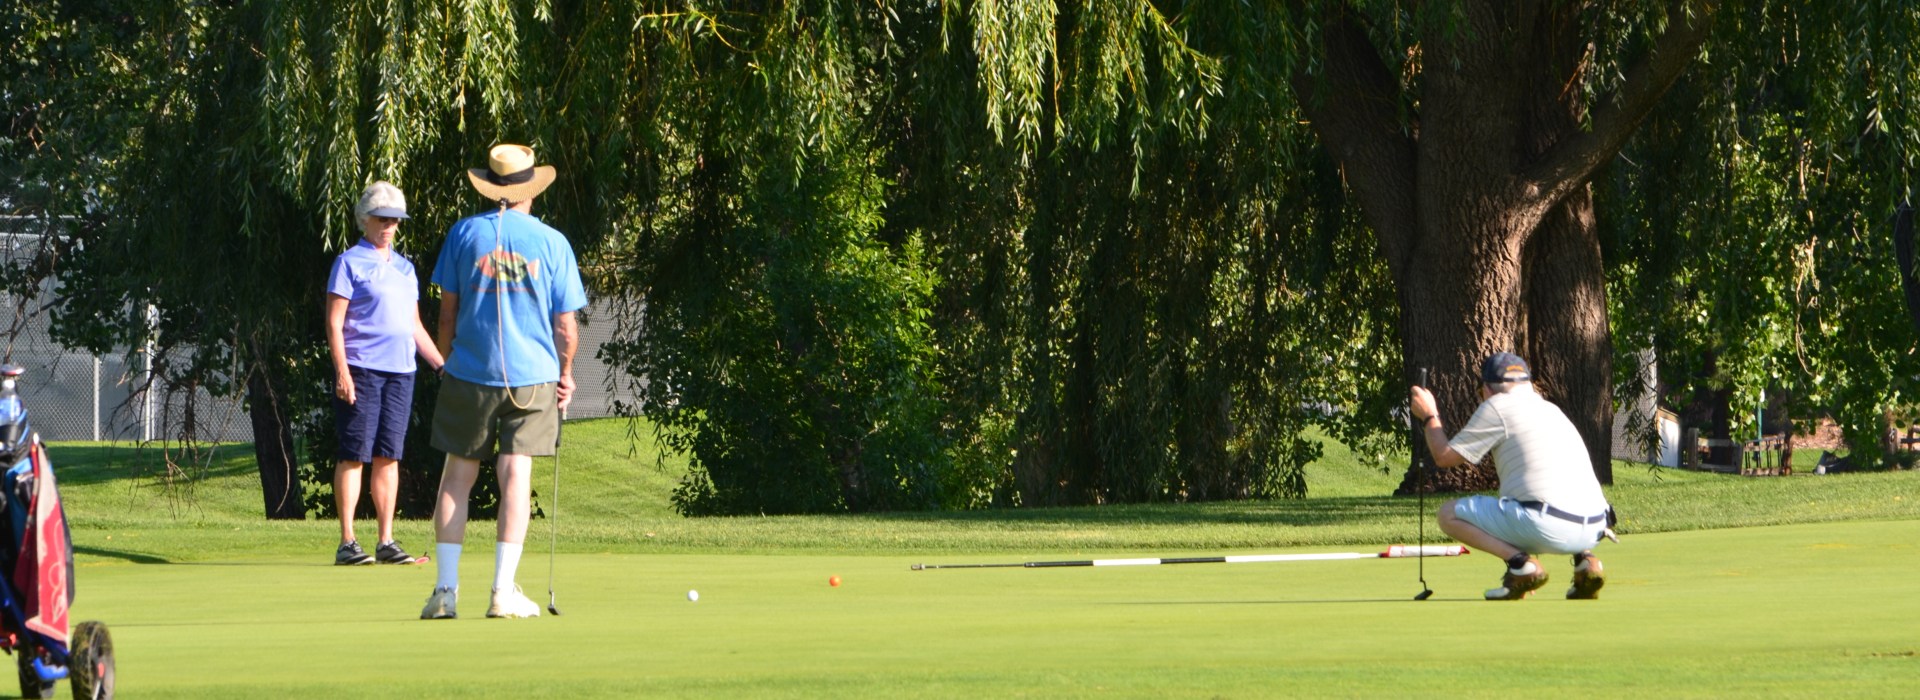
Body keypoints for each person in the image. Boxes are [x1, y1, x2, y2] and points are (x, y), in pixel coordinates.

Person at [420, 144, 586, 619]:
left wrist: (449, 362)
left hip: (470, 371)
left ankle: (445, 592)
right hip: (533, 376)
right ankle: (501, 591)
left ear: (491, 187)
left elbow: (446, 314)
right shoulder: (552, 241)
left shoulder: (464, 233)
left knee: (457, 476)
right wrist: (567, 373)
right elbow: (565, 326)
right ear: (531, 190)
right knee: (515, 476)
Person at [1407, 352, 1615, 600]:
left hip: (1547, 525)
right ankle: (1587, 563)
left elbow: (1444, 457)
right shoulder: (1550, 409)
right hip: (1596, 527)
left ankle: (1521, 566)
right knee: (1542, 497)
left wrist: (1429, 415)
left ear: (1487, 389)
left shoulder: (1496, 406)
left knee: (1448, 514)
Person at [325, 181, 446, 566]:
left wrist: (441, 365)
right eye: (382, 219)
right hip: (361, 369)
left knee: (388, 455)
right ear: (365, 219)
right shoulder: (349, 263)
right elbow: (334, 323)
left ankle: (385, 541)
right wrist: (342, 371)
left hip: (401, 372)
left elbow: (415, 326)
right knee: (354, 454)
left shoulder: (406, 269)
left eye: (394, 220)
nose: (389, 226)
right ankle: (347, 542)